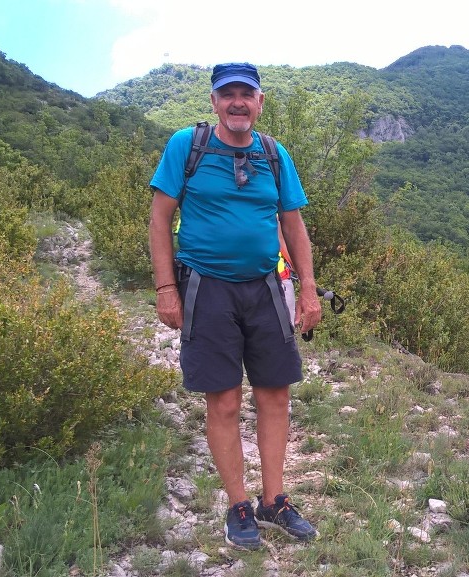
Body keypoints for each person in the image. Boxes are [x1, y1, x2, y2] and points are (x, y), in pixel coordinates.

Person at [148, 62, 322, 550]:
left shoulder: (273, 152)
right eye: (229, 94)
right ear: (214, 102)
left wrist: (308, 288)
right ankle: (238, 505)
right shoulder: (188, 146)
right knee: (223, 400)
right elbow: (160, 220)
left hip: (266, 285)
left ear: (260, 102)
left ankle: (274, 500)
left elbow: (294, 225)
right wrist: (166, 289)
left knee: (275, 394)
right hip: (207, 288)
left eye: (247, 93)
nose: (238, 102)